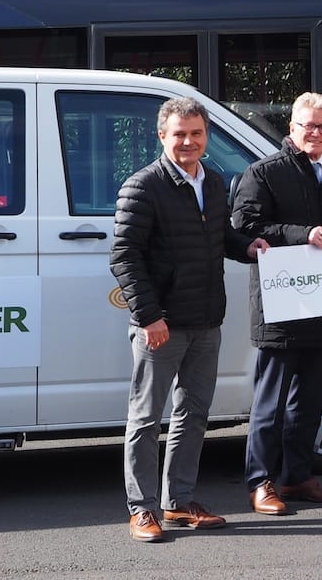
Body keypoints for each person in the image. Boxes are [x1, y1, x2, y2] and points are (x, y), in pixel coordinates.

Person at [111, 96, 267, 542]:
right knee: (145, 418)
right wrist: (149, 315)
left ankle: (178, 502)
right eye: (179, 134)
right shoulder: (143, 186)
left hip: (205, 321)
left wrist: (249, 247)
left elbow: (220, 236)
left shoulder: (214, 183)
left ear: (206, 136)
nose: (188, 142)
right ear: (162, 136)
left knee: (193, 414)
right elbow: (124, 256)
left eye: (196, 133)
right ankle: (143, 508)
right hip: (160, 325)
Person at [233, 92, 322, 513]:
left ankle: (296, 478)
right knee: (271, 403)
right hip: (280, 307)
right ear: (291, 127)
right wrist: (301, 233)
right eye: (307, 125)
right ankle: (261, 482)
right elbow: (244, 228)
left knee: (309, 400)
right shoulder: (264, 173)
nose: (315, 133)